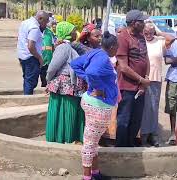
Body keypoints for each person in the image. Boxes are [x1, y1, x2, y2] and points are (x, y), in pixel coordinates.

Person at [71, 31, 119, 180]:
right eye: (117, 47)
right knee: (90, 144)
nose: (118, 49)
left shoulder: (96, 53)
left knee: (93, 142)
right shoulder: (103, 58)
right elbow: (92, 72)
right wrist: (99, 88)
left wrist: (92, 83)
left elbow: (75, 64)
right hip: (98, 106)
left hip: (94, 104)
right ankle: (87, 177)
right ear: (112, 47)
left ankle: (95, 173)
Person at [45, 21, 86, 144]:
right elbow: (52, 68)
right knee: (66, 111)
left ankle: (63, 137)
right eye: (73, 31)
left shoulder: (69, 46)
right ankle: (61, 138)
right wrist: (49, 80)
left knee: (65, 111)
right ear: (67, 33)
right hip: (64, 84)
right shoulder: (63, 47)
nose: (75, 33)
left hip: (68, 85)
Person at [115, 10, 151, 147]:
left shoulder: (141, 36)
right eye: (142, 21)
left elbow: (145, 58)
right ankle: (121, 149)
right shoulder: (122, 38)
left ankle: (130, 146)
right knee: (124, 119)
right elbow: (123, 67)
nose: (144, 23)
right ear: (134, 23)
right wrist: (141, 80)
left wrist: (145, 79)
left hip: (141, 86)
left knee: (136, 119)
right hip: (127, 87)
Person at [140, 22, 175, 147]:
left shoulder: (159, 42)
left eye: (150, 32)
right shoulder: (140, 41)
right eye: (146, 33)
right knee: (143, 109)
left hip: (154, 79)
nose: (148, 35)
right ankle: (143, 135)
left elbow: (172, 38)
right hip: (140, 79)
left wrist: (158, 32)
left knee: (153, 108)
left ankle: (153, 134)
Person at [17, 10, 49, 95]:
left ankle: (26, 96)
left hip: (23, 56)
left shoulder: (25, 22)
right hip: (31, 57)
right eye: (45, 22)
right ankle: (28, 100)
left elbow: (20, 39)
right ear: (40, 18)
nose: (46, 25)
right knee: (31, 81)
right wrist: (39, 58)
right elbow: (31, 46)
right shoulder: (34, 27)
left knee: (27, 79)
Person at [40, 19, 56, 87]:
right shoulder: (35, 31)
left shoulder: (49, 32)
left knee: (46, 77)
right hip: (38, 57)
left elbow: (52, 45)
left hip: (48, 58)